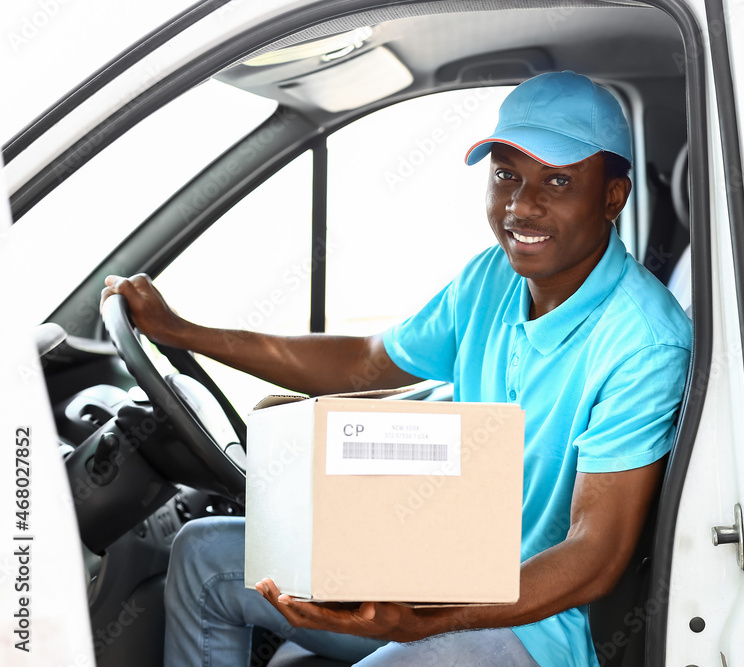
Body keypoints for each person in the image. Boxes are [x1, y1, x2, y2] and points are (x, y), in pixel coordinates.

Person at [102, 71, 692, 667]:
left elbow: (595, 555)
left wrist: (426, 619)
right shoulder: (490, 278)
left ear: (613, 196)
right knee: (205, 555)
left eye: (558, 181)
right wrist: (187, 333)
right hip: (438, 570)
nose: (521, 205)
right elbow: (365, 362)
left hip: (542, 630)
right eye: (507, 176)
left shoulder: (643, 344)